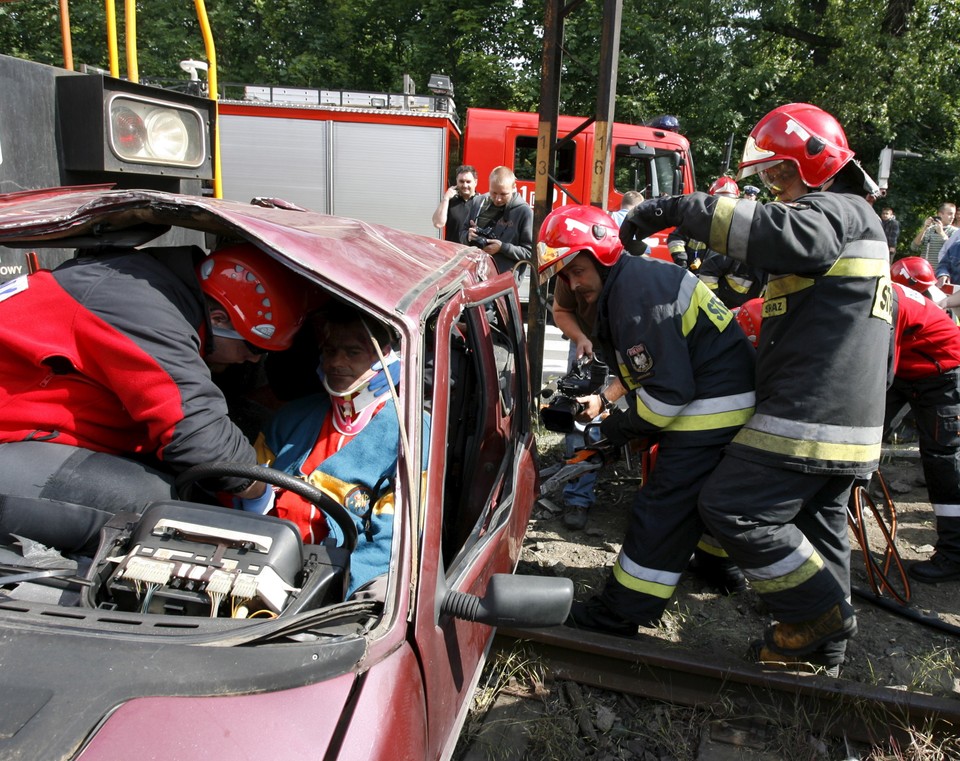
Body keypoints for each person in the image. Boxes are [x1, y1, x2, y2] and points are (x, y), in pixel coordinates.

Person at [621, 103, 891, 673]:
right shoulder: (854, 219)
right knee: (819, 530)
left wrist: (676, 209)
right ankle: (821, 654)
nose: (775, 190)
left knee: (731, 506)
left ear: (816, 163)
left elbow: (784, 234)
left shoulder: (836, 212)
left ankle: (817, 612)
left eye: (779, 174)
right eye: (767, 178)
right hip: (845, 423)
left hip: (810, 416)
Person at [538, 204, 756, 635]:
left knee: (663, 505)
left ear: (601, 255)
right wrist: (605, 403)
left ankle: (622, 611)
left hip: (710, 408)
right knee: (702, 496)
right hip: (720, 398)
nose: (573, 284)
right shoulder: (631, 282)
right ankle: (718, 569)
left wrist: (616, 431)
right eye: (564, 276)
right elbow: (645, 371)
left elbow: (667, 395)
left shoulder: (635, 299)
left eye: (578, 270)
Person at [0, 242, 311, 542]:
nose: (255, 359)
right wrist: (261, 493)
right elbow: (198, 437)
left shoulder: (150, 288)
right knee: (156, 509)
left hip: (31, 432)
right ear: (218, 320)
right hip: (9, 444)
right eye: (254, 347)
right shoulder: (142, 308)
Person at [245, 302, 426, 598]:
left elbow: (393, 540)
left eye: (353, 352)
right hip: (266, 559)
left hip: (343, 580)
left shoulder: (410, 430)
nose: (336, 363)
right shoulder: (290, 418)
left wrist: (336, 593)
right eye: (330, 351)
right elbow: (245, 490)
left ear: (384, 358)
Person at [884, 281, 960, 583]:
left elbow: (877, 369)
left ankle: (954, 555)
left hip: (944, 373)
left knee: (943, 459)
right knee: (861, 434)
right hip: (908, 370)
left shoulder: (882, 302)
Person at [695, 177, 768, 308]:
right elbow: (709, 270)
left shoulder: (768, 254)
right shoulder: (737, 243)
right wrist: (714, 306)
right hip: (718, 303)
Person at [460, 166, 534, 274]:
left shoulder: (524, 212)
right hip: (474, 274)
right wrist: (468, 236)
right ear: (489, 185)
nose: (498, 199)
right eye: (494, 193)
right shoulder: (478, 203)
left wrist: (502, 248)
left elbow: (530, 253)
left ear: (514, 187)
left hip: (504, 282)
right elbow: (462, 233)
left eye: (504, 194)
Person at [432, 165, 478, 243]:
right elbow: (438, 224)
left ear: (475, 182)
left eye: (468, 182)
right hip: (452, 252)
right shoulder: (450, 201)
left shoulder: (481, 202)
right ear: (457, 181)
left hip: (473, 252)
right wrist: (446, 199)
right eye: (461, 181)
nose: (465, 185)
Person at [910, 203, 957, 267]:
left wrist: (941, 233)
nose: (953, 217)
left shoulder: (955, 231)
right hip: (925, 271)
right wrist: (924, 228)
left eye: (954, 214)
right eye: (950, 214)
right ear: (940, 214)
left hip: (942, 273)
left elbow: (954, 250)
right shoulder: (929, 229)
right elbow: (914, 247)